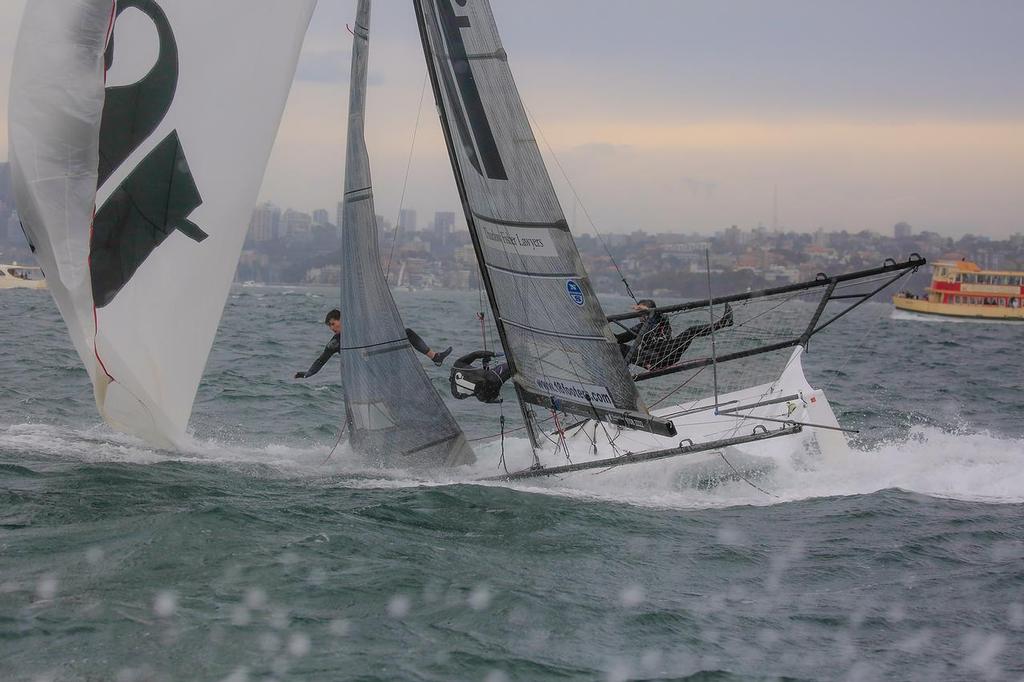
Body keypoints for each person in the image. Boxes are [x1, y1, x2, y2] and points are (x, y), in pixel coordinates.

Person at [294, 309, 452, 379]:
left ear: (342, 319)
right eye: (329, 326)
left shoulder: (359, 325)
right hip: (363, 374)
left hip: (379, 360)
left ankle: (435, 357)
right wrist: (308, 374)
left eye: (333, 324)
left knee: (407, 332)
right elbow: (321, 360)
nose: (331, 328)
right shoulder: (335, 343)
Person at [615, 299, 734, 371]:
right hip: (650, 359)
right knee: (619, 347)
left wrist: (646, 309)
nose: (640, 316)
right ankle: (623, 372)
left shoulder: (661, 319)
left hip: (669, 354)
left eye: (642, 312)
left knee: (691, 331)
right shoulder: (640, 328)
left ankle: (724, 322)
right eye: (639, 313)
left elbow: (657, 315)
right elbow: (619, 338)